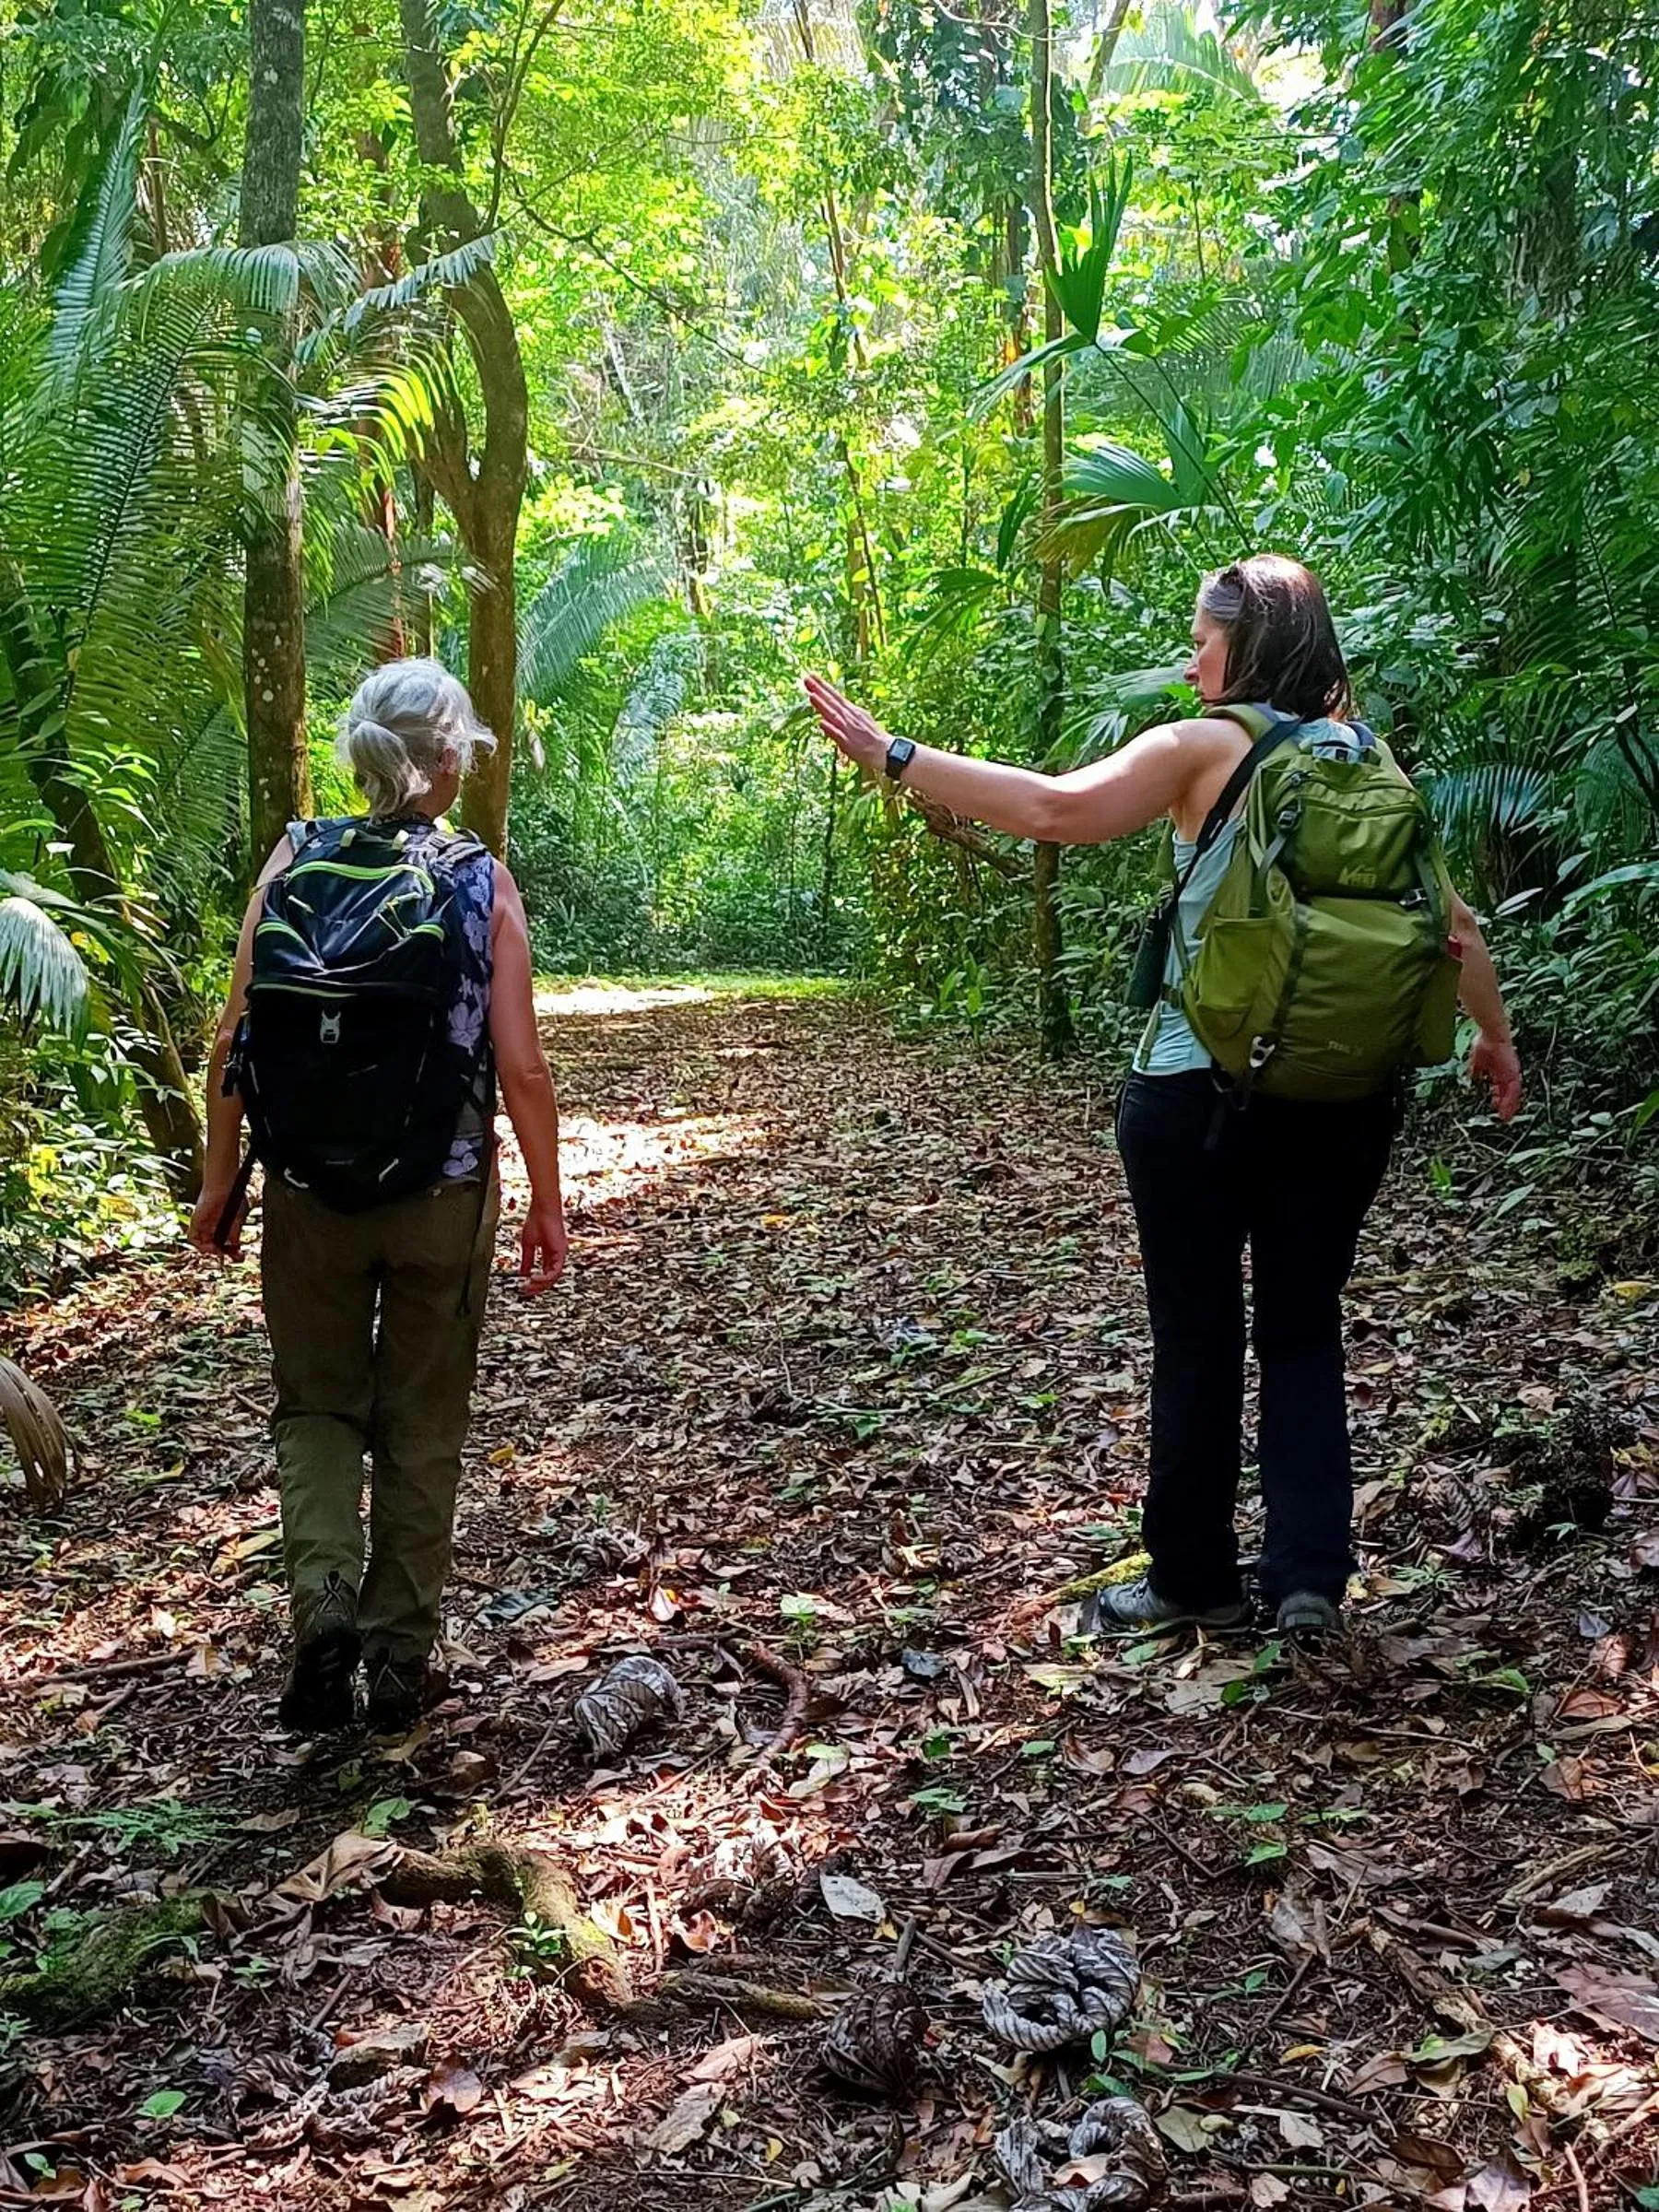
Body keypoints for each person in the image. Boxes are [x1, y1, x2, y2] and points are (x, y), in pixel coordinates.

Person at [805, 555, 1522, 1640]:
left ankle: (1192, 1575)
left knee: (1197, 1333)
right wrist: (1495, 1040)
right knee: (1302, 1328)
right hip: (1345, 1098)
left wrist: (894, 754)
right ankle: (1308, 1579)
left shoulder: (1205, 748)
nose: (1193, 662)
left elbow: (1055, 810)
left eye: (1204, 640)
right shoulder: (1374, 763)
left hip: (1199, 1095)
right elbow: (1453, 926)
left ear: (1250, 647)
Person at [188, 660, 570, 1733]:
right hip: (442, 1193)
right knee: (422, 1420)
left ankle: (321, 1600)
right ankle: (399, 1660)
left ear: (363, 754)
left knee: (314, 1405)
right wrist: (547, 1197)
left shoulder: (293, 858)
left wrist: (221, 1186)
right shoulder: (478, 879)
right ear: (450, 762)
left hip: (308, 1192)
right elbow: (523, 1066)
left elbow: (237, 1037)